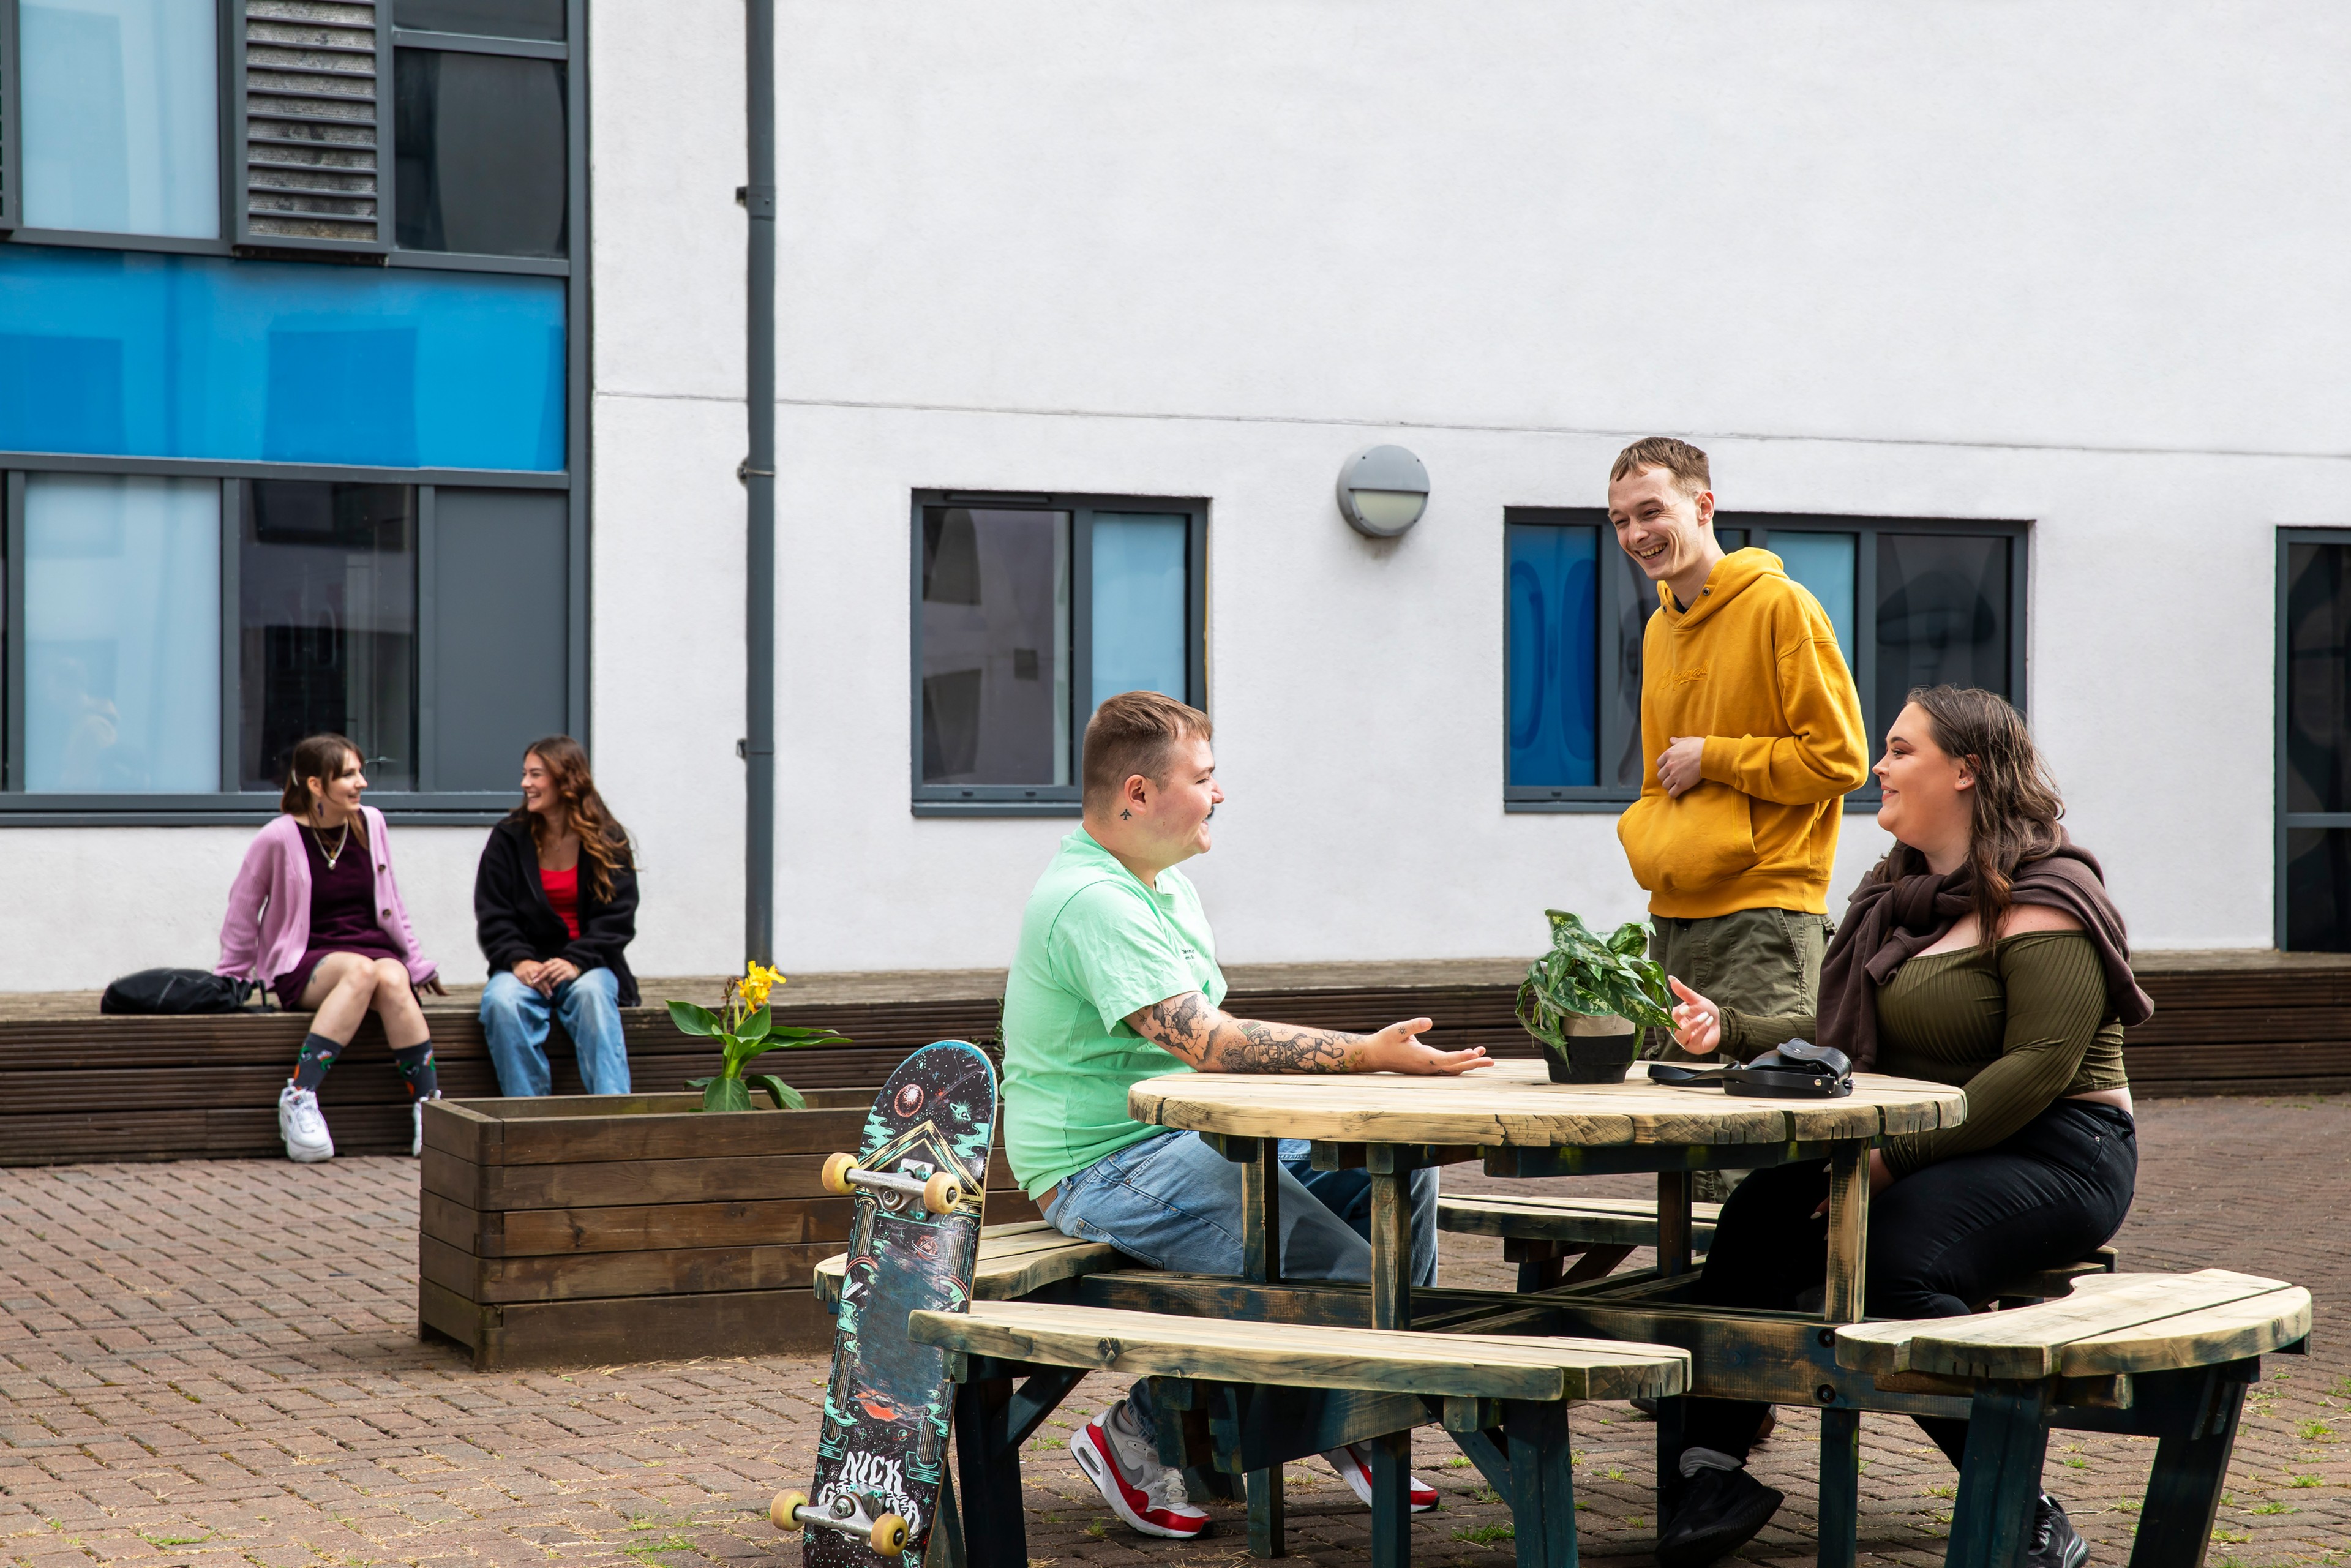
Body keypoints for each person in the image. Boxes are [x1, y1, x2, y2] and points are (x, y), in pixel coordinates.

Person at [1651, 686, 2149, 1568]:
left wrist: (1886, 1163)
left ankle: (2026, 1510)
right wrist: (1729, 1029)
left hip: (2059, 1149)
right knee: (1758, 1216)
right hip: (1922, 1146)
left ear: (1967, 771)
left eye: (1899, 748)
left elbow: (2035, 1070)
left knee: (1894, 1259)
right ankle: (1708, 1472)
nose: (1877, 766)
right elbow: (1843, 1035)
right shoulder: (1900, 896)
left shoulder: (2050, 895)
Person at [1003, 691, 1493, 1540]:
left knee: (1403, 1166)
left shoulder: (1165, 888)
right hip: (1103, 1161)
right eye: (1205, 777)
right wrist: (1366, 1054)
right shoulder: (1094, 900)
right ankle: (1137, 1431)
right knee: (1341, 1276)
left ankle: (1363, 1406)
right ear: (1139, 793)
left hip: (1187, 1137)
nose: (1220, 794)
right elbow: (1208, 1044)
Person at [1608, 436, 1869, 1204]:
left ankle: (1762, 1319)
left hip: (1764, 916)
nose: (1635, 534)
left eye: (1651, 511)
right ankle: (1690, 1319)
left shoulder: (1782, 607)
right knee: (1684, 1150)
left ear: (1704, 504)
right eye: (1621, 519)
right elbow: (1666, 772)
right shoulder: (1659, 628)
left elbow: (1841, 760)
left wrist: (1715, 757)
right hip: (1675, 919)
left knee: (1756, 1162)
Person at [217, 733, 444, 1163]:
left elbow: (393, 901)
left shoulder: (371, 823)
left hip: (372, 949)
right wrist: (233, 976)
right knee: (362, 970)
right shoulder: (278, 837)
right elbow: (243, 909)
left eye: (361, 771)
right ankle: (300, 1095)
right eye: (348, 774)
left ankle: (430, 1106)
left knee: (393, 977)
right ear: (316, 785)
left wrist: (415, 961)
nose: (361, 783)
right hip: (305, 959)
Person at [474, 736, 639, 1096]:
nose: (525, 784)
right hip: (525, 967)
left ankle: (615, 1120)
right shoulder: (508, 838)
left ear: (567, 780)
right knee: (502, 1002)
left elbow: (618, 920)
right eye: (524, 774)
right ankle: (529, 1121)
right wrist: (518, 960)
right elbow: (493, 913)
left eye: (536, 775)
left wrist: (575, 962)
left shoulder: (608, 840)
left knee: (593, 998)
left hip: (589, 965)